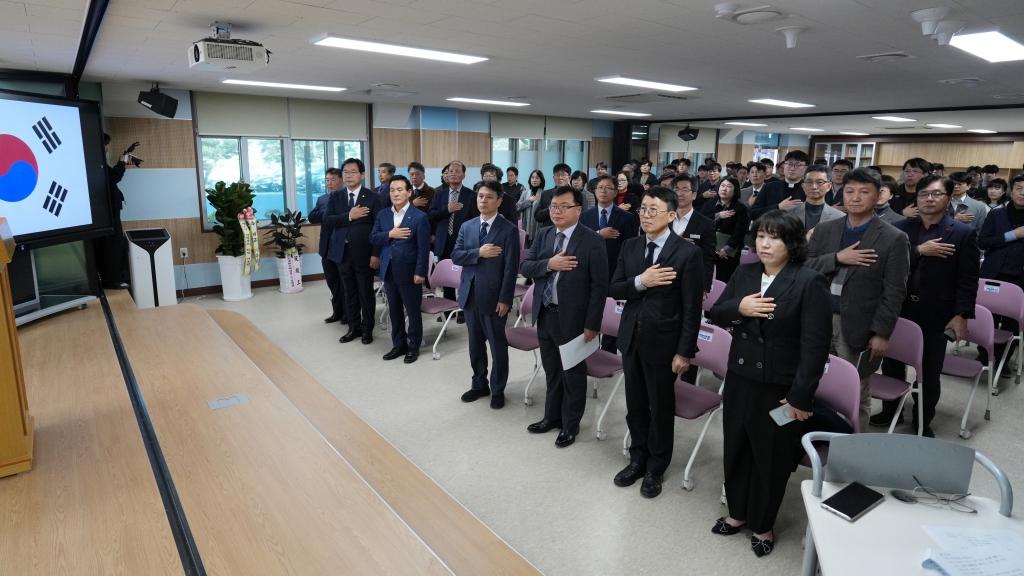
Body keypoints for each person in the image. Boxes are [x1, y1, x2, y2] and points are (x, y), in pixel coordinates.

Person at [707, 210, 831, 558]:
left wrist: (800, 397)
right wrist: (740, 308)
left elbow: (815, 347)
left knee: (771, 457)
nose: (764, 243)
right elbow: (716, 313)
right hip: (740, 379)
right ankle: (736, 513)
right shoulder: (745, 273)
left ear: (791, 243)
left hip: (780, 389)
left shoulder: (808, 280)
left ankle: (762, 524)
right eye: (760, 235)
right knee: (736, 447)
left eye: (773, 237)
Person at [610, 186, 703, 499]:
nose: (646, 215)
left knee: (660, 406)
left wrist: (685, 351)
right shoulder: (631, 246)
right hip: (630, 339)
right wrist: (641, 282)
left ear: (671, 215)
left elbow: (692, 308)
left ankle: (656, 466)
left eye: (654, 210)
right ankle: (638, 458)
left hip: (664, 342)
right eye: (643, 209)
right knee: (635, 404)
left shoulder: (687, 252)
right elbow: (616, 288)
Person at [874, 175, 980, 437]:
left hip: (937, 312)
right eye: (923, 194)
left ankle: (922, 420)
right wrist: (920, 250)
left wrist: (962, 314)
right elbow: (885, 264)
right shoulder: (900, 228)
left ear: (947, 199)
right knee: (892, 365)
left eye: (936, 194)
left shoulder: (962, 233)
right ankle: (891, 411)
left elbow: (968, 279)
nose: (929, 199)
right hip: (900, 309)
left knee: (929, 372)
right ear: (916, 198)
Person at [806, 167, 911, 427]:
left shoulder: (894, 237)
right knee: (813, 383)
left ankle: (850, 446)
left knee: (855, 391)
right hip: (817, 319)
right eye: (850, 191)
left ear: (878, 197)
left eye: (864, 192)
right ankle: (818, 436)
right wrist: (837, 258)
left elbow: (895, 290)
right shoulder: (825, 229)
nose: (855, 197)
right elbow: (803, 269)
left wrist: (882, 333)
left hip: (858, 326)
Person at [521, 186, 608, 448]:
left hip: (575, 319)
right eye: (553, 206)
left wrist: (592, 323)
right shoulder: (545, 233)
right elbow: (525, 266)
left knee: (573, 374)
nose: (556, 211)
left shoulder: (592, 240)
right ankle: (551, 416)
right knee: (552, 370)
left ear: (578, 210)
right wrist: (549, 264)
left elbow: (599, 286)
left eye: (563, 206)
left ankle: (571, 424)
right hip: (545, 313)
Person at [452, 181, 521, 408]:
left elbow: (511, 269)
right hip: (470, 294)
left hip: (494, 298)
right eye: (480, 196)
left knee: (497, 345)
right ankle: (479, 384)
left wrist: (505, 299)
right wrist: (478, 253)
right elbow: (456, 256)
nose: (483, 200)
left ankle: (498, 388)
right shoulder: (468, 226)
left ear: (499, 201)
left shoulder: (509, 229)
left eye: (489, 197)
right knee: (475, 345)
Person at [369, 175, 430, 364]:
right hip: (389, 270)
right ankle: (398, 344)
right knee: (394, 310)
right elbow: (373, 238)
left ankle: (414, 346)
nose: (395, 193)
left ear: (409, 192)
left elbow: (423, 248)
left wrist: (420, 272)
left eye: (400, 190)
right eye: (392, 190)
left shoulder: (420, 217)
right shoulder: (383, 214)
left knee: (412, 311)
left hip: (410, 271)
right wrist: (390, 234)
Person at [325, 158, 382, 345]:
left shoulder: (373, 197)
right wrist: (349, 216)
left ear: (362, 175)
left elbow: (379, 227)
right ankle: (353, 327)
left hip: (365, 253)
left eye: (353, 172)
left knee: (365, 292)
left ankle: (367, 330)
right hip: (342, 252)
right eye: (345, 172)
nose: (348, 176)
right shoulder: (336, 196)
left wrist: (376, 254)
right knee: (348, 292)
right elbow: (328, 220)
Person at [580, 174, 639, 352]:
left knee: (611, 312)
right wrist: (599, 234)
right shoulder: (585, 216)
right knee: (589, 311)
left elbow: (631, 247)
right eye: (600, 188)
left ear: (616, 192)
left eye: (608, 188)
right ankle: (588, 349)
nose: (603, 191)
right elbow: (580, 244)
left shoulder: (626, 217)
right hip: (589, 273)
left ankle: (608, 352)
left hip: (615, 272)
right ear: (595, 191)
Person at [976, 175, 1024, 366]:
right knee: (987, 317)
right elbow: (983, 241)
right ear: (1011, 191)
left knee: (1013, 322)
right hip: (992, 274)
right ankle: (984, 355)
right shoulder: (997, 214)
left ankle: (1003, 361)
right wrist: (1013, 235)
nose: (1023, 193)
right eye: (1019, 188)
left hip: (1019, 278)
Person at [428, 160, 475, 321]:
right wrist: (447, 210)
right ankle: (448, 309)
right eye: (450, 171)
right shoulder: (439, 194)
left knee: (463, 276)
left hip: (463, 242)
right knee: (447, 276)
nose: (452, 174)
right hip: (444, 240)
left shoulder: (471, 195)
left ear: (463, 175)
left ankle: (462, 309)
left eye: (456, 171)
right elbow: (431, 215)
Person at [308, 167, 346, 325]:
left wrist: (329, 215)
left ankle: (348, 314)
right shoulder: (323, 199)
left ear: (342, 181)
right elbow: (312, 217)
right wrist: (327, 213)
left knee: (345, 283)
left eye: (333, 180)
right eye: (327, 180)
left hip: (342, 246)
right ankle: (337, 312)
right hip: (326, 246)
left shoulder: (346, 199)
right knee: (332, 282)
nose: (329, 183)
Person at [670, 174, 715, 296]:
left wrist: (704, 287)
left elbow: (708, 258)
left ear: (694, 195)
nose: (679, 194)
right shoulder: (663, 219)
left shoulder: (706, 224)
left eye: (685, 190)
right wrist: (675, 242)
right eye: (676, 190)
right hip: (664, 278)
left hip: (691, 281)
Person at [95, 133, 129, 289]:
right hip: (107, 213)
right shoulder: (96, 163)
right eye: (106, 144)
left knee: (113, 245)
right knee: (113, 246)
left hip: (109, 211)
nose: (108, 147)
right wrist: (121, 163)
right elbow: (113, 178)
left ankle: (112, 278)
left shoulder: (98, 162)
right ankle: (112, 279)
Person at [701, 176, 749, 282]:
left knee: (725, 279)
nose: (724, 189)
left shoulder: (739, 208)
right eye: (722, 186)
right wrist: (718, 215)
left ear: (735, 190)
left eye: (729, 186)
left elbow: (740, 231)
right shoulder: (710, 204)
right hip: (709, 249)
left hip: (728, 253)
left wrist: (728, 248)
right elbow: (700, 221)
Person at [749, 150, 810, 220]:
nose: (792, 168)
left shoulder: (809, 189)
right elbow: (753, 214)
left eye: (798, 165)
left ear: (806, 168)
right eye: (789, 164)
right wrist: (778, 207)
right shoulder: (769, 187)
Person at [788, 165, 844, 235]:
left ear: (829, 186)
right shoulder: (788, 215)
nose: (814, 187)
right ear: (803, 186)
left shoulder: (840, 217)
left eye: (820, 182)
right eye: (809, 182)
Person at [534, 163, 573, 229]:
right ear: (553, 177)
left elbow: (582, 216)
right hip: (549, 232)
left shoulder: (577, 194)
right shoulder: (545, 194)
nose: (560, 178)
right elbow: (537, 216)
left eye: (563, 175)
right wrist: (551, 209)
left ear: (569, 178)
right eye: (557, 175)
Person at [518, 170, 545, 247]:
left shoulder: (544, 193)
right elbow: (517, 207)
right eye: (532, 177)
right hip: (526, 227)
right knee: (526, 250)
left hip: (538, 227)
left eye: (537, 178)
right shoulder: (525, 193)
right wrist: (529, 201)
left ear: (541, 181)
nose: (534, 180)